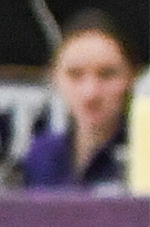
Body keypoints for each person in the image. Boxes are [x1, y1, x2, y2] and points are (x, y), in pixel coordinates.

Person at [22, 10, 139, 189]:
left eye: (107, 74)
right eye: (75, 75)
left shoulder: (142, 154)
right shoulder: (41, 155)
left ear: (131, 78)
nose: (90, 93)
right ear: (55, 78)